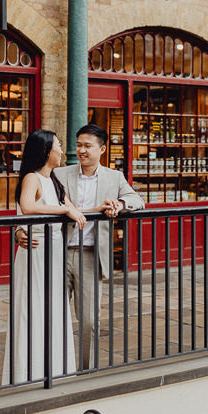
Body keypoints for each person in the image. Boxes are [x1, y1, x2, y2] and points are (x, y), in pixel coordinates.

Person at [55, 123, 143, 369]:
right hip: (58, 253)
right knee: (53, 316)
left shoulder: (114, 177)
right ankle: (56, 368)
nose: (81, 150)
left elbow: (137, 199)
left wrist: (120, 203)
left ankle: (87, 370)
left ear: (102, 149)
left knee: (89, 321)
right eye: (78, 145)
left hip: (90, 256)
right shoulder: (60, 175)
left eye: (88, 146)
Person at [2, 129, 86, 384]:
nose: (62, 150)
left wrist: (102, 207)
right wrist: (63, 210)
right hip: (36, 252)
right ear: (47, 151)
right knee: (33, 307)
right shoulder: (32, 177)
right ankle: (29, 372)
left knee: (53, 308)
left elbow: (74, 209)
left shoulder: (55, 180)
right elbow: (27, 207)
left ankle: (54, 369)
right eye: (59, 146)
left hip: (54, 252)